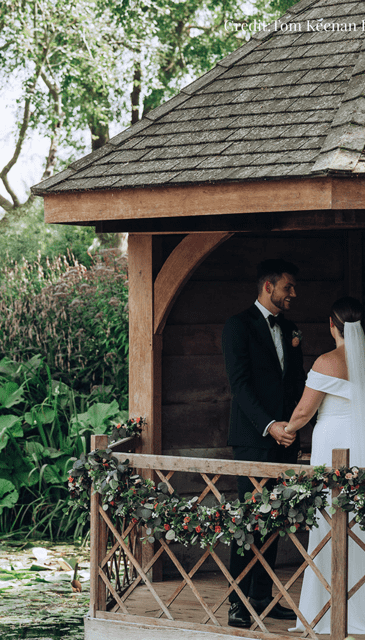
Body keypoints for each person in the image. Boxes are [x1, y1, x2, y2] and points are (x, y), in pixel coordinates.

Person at [222, 258, 306, 628]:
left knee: (275, 520)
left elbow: (298, 383)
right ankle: (238, 603)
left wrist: (296, 431)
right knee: (249, 520)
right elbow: (239, 385)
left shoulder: (291, 329)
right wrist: (270, 425)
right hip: (253, 439)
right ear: (268, 287)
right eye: (288, 287)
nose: (294, 294)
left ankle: (262, 597)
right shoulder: (237, 326)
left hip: (286, 441)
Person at [285, 296, 365, 634]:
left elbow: (304, 412)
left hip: (333, 443)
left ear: (332, 325)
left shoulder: (327, 362)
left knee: (329, 519)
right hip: (361, 442)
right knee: (361, 522)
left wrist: (285, 431)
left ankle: (326, 608)